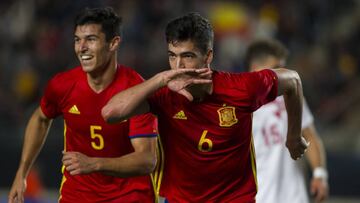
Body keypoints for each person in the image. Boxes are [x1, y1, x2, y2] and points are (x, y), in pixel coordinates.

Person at [101, 13, 309, 202]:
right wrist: (160, 79)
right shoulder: (163, 94)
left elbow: (293, 80)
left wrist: (293, 137)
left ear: (208, 56)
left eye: (187, 56)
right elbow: (110, 113)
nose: (178, 66)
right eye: (172, 56)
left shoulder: (243, 88)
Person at [8, 7, 158, 203]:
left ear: (113, 43)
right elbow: (40, 118)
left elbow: (147, 160)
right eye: (77, 40)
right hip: (78, 195)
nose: (82, 47)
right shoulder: (63, 85)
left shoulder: (136, 90)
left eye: (91, 39)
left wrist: (94, 164)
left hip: (129, 196)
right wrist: (22, 172)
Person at [244, 39, 329, 203]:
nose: (282, 73)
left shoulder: (292, 97)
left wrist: (320, 174)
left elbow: (309, 135)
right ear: (255, 69)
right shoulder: (240, 103)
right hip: (260, 197)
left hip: (295, 196)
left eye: (283, 67)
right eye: (276, 67)